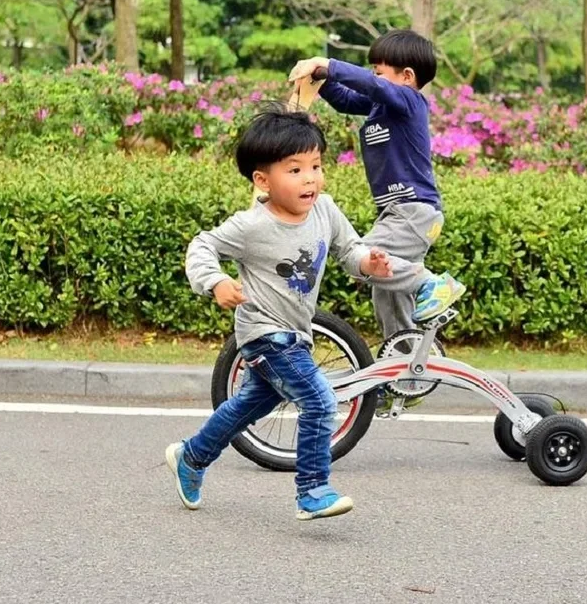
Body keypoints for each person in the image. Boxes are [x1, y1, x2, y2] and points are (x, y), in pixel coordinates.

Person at [167, 108, 402, 520]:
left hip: (296, 332)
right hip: (263, 333)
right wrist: (215, 282)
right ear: (263, 180)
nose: (310, 178)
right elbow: (202, 245)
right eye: (295, 169)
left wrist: (371, 264)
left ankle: (191, 456)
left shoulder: (325, 210)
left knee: (247, 407)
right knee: (319, 401)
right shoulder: (251, 226)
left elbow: (350, 251)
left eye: (316, 166)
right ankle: (312, 490)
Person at [288, 29, 465, 343]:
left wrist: (328, 63)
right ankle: (404, 367)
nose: (373, 77)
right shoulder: (378, 106)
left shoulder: (410, 101)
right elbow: (346, 99)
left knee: (361, 256)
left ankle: (433, 285)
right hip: (398, 212)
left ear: (407, 76)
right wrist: (319, 79)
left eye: (379, 71)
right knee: (388, 297)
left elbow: (370, 85)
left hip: (413, 210)